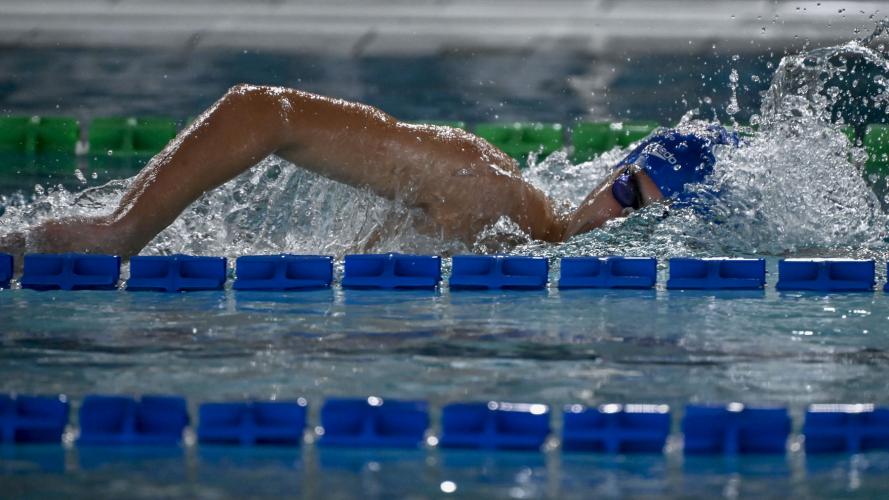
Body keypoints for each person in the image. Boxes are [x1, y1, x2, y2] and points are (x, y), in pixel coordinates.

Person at [0, 85, 733, 259]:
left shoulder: (520, 244)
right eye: (626, 192)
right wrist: (122, 230)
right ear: (611, 172)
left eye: (645, 220)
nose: (614, 221)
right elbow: (265, 110)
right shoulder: (484, 184)